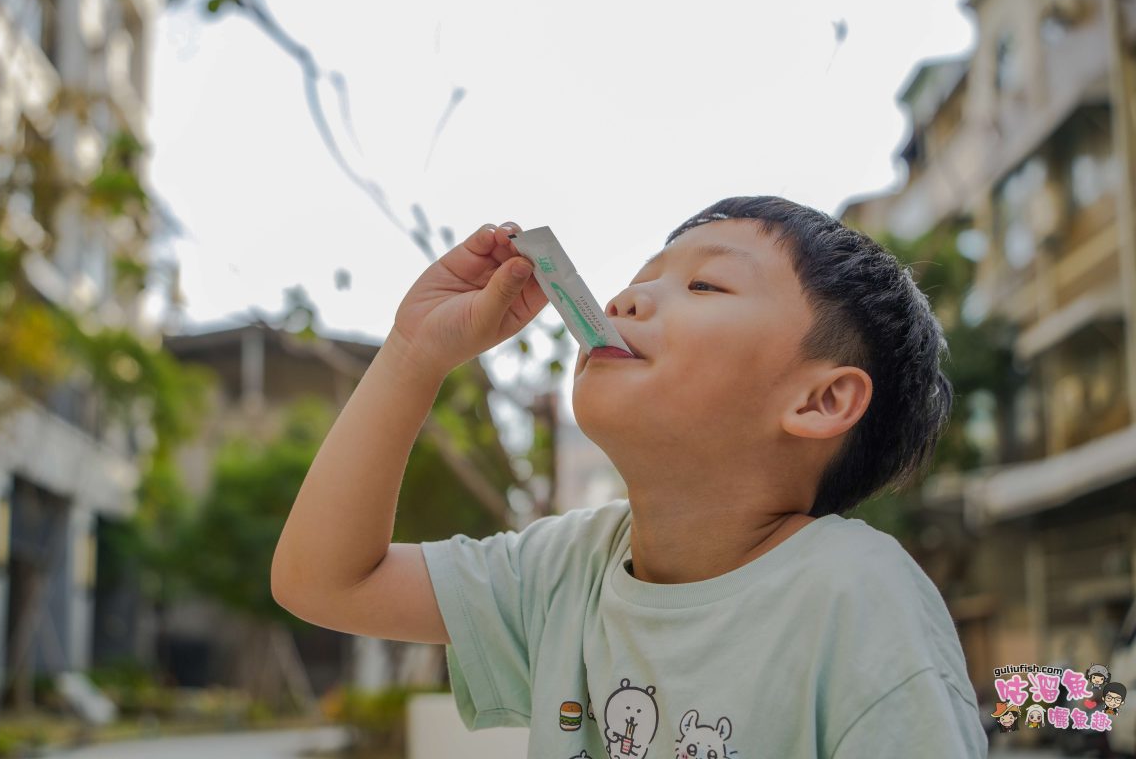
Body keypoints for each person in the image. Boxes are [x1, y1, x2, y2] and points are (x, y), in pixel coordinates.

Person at [271, 196, 987, 758]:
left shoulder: (860, 600)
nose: (622, 302)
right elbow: (325, 581)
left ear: (820, 401)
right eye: (641, 280)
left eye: (704, 284)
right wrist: (414, 352)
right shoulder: (563, 572)